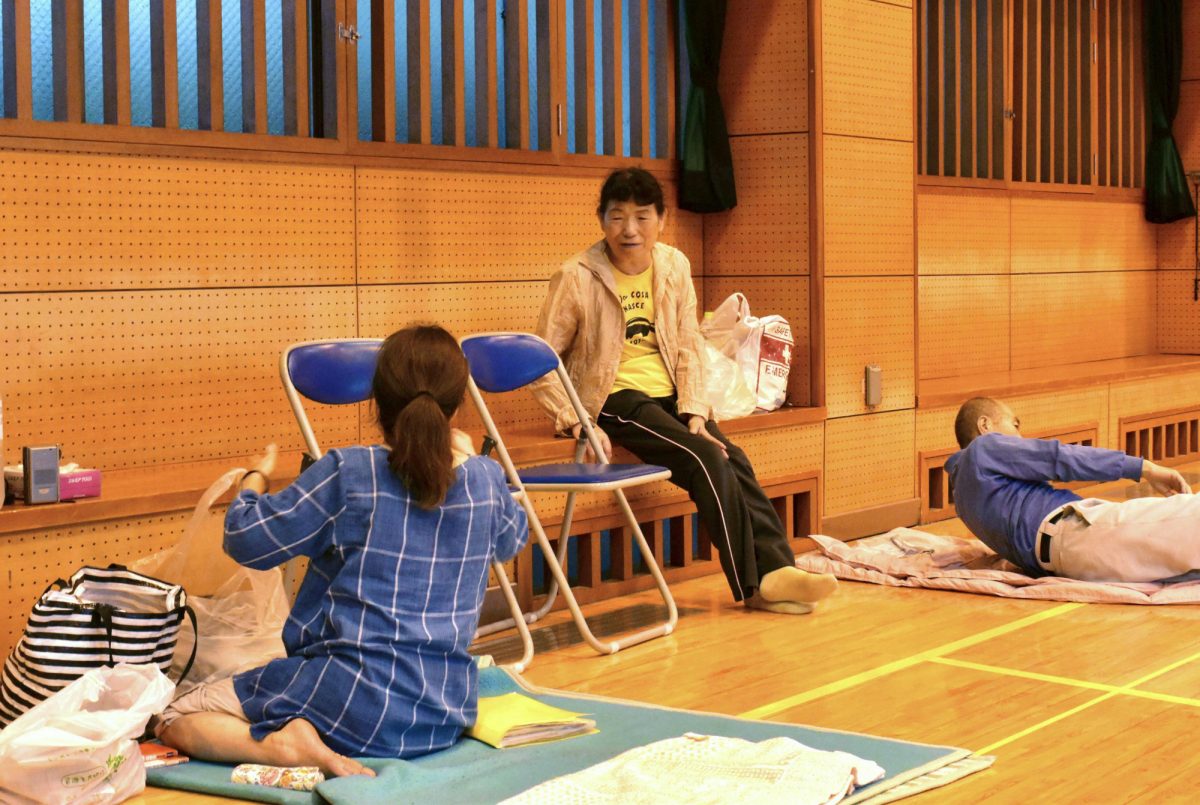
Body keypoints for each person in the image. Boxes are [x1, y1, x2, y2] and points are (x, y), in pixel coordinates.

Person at [157, 325, 528, 777]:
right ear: (456, 406)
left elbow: (247, 541)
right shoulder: (486, 479)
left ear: (377, 399)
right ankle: (301, 733)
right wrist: (473, 459)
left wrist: (253, 481)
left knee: (172, 715)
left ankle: (284, 749)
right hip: (444, 712)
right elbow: (512, 540)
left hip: (350, 701)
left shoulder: (349, 472)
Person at [530, 167, 837, 615]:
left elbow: (690, 342)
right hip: (614, 400)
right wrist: (573, 417)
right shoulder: (577, 275)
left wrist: (695, 409)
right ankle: (755, 587)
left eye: (641, 217)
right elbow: (542, 359)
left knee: (731, 456)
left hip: (673, 395)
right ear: (601, 221)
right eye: (617, 217)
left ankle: (777, 569)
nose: (629, 230)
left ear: (662, 219)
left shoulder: (673, 265)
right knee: (704, 458)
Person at [947, 396, 1197, 582]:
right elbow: (1058, 458)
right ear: (985, 425)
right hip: (1075, 536)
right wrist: (1145, 468)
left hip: (1072, 562)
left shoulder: (961, 494)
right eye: (1014, 425)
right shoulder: (983, 450)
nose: (1020, 437)